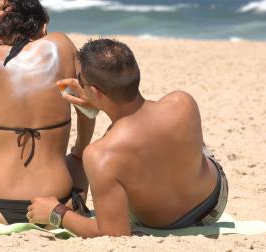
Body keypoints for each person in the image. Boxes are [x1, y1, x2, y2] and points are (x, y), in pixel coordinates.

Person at [27, 38, 228, 237]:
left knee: (121, 159)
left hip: (164, 225)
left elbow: (114, 233)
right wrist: (101, 102)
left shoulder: (99, 155)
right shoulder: (182, 102)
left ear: (95, 92)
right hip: (213, 202)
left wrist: (57, 212)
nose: (79, 83)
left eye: (81, 80)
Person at [0, 0, 95, 225]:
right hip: (58, 201)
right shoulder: (61, 44)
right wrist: (80, 148)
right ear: (43, 27)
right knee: (81, 157)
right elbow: (84, 106)